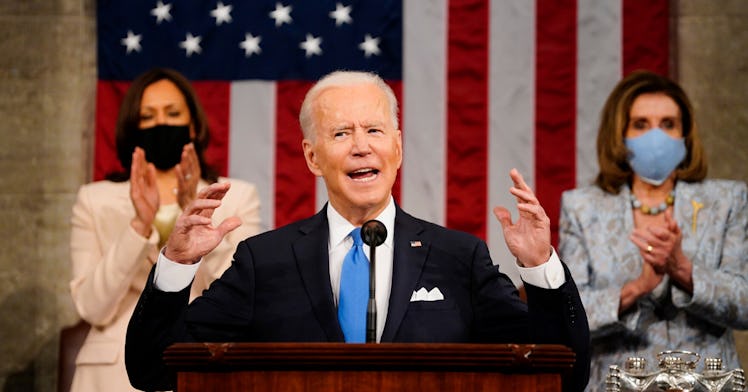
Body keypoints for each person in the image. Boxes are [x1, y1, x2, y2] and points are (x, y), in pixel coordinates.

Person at [125, 70, 591, 391]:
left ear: (398, 147)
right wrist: (177, 265)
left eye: (374, 130)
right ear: (312, 157)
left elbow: (563, 373)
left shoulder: (459, 258)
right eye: (341, 133)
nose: (361, 147)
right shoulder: (264, 261)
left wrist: (540, 267)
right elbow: (152, 368)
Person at [69, 67, 262, 392]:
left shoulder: (237, 196)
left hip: (204, 364)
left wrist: (198, 213)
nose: (162, 123)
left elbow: (245, 297)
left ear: (193, 124)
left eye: (173, 113)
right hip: (111, 375)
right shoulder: (94, 199)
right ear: (134, 126)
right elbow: (92, 307)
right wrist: (138, 226)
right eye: (148, 116)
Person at [559, 70, 748, 390]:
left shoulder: (726, 201)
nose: (655, 137)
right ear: (619, 134)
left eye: (668, 124)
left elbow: (744, 305)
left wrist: (684, 270)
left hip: (707, 383)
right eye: (641, 124)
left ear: (686, 135)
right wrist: (636, 288)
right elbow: (569, 321)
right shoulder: (582, 207)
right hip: (616, 383)